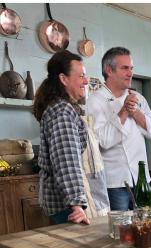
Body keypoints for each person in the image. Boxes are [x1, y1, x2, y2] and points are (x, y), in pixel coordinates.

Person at [33, 50, 108, 225]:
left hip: (71, 204)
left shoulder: (64, 108)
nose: (86, 81)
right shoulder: (63, 112)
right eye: (81, 75)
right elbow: (66, 161)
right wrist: (76, 205)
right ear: (63, 79)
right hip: (71, 207)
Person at [86, 46, 151, 210]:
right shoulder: (95, 101)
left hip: (141, 179)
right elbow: (103, 141)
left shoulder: (138, 98)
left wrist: (135, 112)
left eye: (131, 68)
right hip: (115, 183)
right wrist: (124, 111)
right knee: (121, 231)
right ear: (108, 70)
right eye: (125, 68)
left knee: (145, 225)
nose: (130, 73)